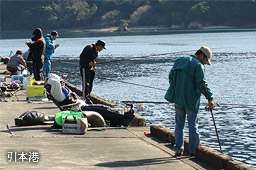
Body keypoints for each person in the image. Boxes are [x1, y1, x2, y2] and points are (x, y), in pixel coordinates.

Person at [164, 46, 215, 157]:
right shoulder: (198, 65)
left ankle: (178, 149)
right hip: (191, 100)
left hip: (178, 98)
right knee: (193, 124)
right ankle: (193, 150)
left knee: (179, 124)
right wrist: (210, 98)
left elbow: (171, 76)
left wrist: (177, 88)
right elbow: (202, 85)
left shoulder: (179, 60)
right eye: (206, 60)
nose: (205, 63)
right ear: (201, 55)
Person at [44, 74, 135, 127]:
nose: (62, 82)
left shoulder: (61, 89)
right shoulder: (56, 91)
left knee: (103, 110)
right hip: (78, 109)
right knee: (102, 109)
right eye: (60, 80)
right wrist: (48, 80)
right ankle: (123, 117)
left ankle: (120, 120)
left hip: (80, 106)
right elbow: (54, 82)